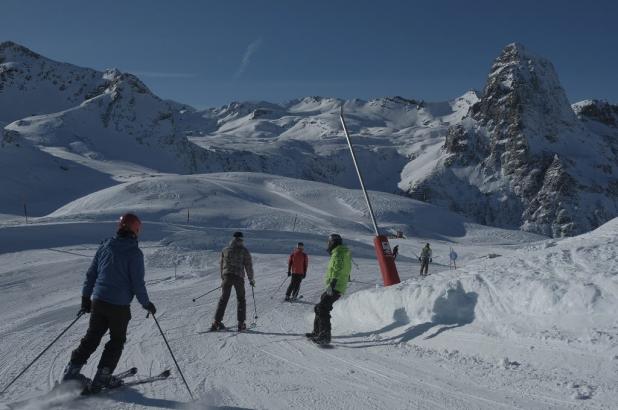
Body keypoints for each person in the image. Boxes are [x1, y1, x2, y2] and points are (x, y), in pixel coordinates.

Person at [62, 213, 156, 393]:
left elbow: (91, 274)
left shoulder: (105, 246)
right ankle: (102, 376)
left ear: (119, 227)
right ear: (136, 230)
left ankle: (71, 373)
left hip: (98, 301)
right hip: (119, 307)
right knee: (117, 340)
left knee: (92, 337)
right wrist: (146, 304)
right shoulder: (134, 253)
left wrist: (85, 299)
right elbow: (137, 284)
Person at [306, 234, 351, 345]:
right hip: (335, 286)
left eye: (329, 242)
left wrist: (333, 282)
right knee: (319, 307)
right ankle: (317, 332)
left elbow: (338, 268)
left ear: (333, 242)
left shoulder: (339, 253)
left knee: (322, 308)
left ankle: (325, 336)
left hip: (335, 286)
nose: (328, 245)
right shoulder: (340, 252)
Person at [211, 231, 255, 332]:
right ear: (241, 239)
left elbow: (221, 264)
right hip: (238, 277)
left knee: (223, 299)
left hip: (227, 276)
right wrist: (251, 279)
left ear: (233, 238)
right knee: (241, 299)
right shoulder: (244, 250)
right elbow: (248, 265)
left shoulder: (225, 250)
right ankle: (241, 323)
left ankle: (216, 322)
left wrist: (223, 277)